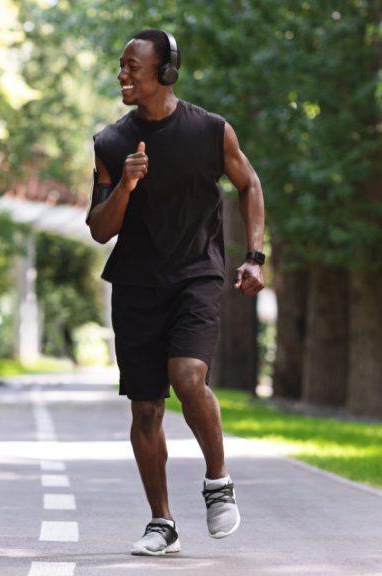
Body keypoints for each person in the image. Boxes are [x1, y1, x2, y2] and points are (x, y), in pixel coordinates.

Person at [86, 29, 266, 556]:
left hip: (196, 273)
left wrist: (254, 256)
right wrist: (124, 185)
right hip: (135, 283)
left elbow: (249, 184)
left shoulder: (210, 130)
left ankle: (217, 481)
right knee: (145, 409)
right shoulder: (110, 143)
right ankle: (161, 522)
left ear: (165, 72)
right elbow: (99, 229)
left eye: (132, 66)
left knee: (188, 377)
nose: (122, 74)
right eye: (120, 65)